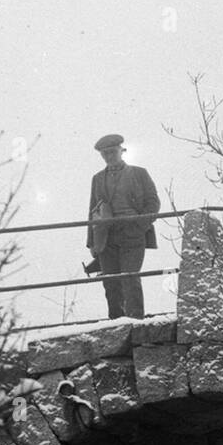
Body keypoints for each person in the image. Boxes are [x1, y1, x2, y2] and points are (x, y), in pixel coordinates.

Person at [86, 133, 160, 319]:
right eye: (105, 154)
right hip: (107, 236)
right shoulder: (97, 178)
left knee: (130, 278)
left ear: (121, 151)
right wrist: (93, 244)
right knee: (110, 282)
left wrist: (139, 226)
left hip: (132, 234)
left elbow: (153, 203)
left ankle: (136, 321)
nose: (109, 157)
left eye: (112, 152)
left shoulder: (139, 173)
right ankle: (115, 323)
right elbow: (92, 210)